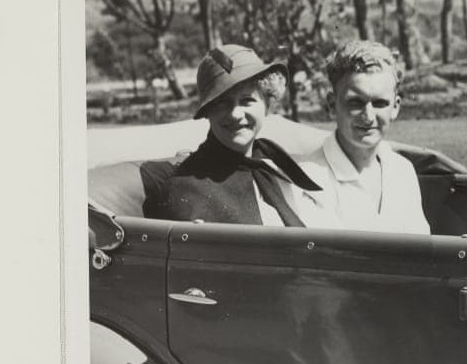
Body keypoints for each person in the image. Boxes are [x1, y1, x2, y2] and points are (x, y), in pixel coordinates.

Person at [141, 44, 323, 225]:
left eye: (247, 100)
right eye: (222, 103)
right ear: (207, 111)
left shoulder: (275, 166)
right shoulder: (186, 190)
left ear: (267, 104)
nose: (235, 114)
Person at [293, 40, 430, 234]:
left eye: (380, 103)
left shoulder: (402, 170)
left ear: (396, 107)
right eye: (355, 102)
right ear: (332, 105)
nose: (368, 117)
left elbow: (421, 248)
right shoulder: (309, 179)